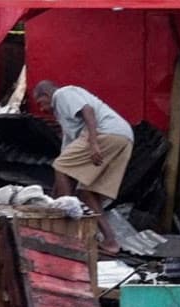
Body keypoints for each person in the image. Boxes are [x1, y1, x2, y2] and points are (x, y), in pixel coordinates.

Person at [31, 80, 134, 255]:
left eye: (41, 103)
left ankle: (65, 229)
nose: (42, 109)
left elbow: (88, 111)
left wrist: (93, 142)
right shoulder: (66, 118)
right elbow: (65, 161)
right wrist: (53, 197)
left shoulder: (63, 94)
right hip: (123, 137)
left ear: (47, 95)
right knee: (87, 192)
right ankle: (110, 241)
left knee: (62, 167)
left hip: (106, 132)